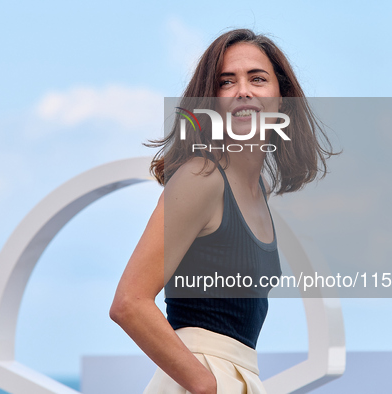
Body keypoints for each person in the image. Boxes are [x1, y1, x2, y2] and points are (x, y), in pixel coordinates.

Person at [110, 29, 337, 394]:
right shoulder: (201, 177)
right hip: (202, 377)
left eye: (257, 79)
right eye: (226, 81)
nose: (243, 90)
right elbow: (129, 302)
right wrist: (204, 383)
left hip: (241, 376)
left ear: (283, 98)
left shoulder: (257, 190)